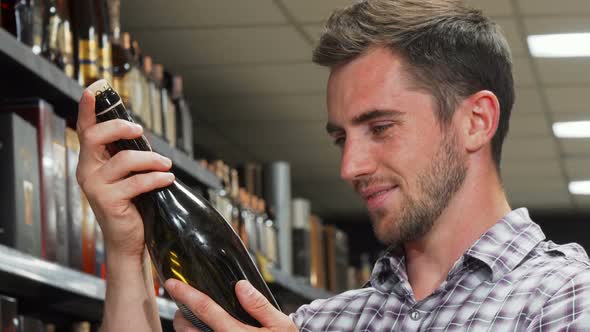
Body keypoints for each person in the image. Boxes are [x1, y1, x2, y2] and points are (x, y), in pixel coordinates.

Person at [76, 0, 590, 331]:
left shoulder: (564, 299)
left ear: (476, 121)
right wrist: (126, 255)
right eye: (341, 137)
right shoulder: (324, 322)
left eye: (380, 127)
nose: (350, 165)